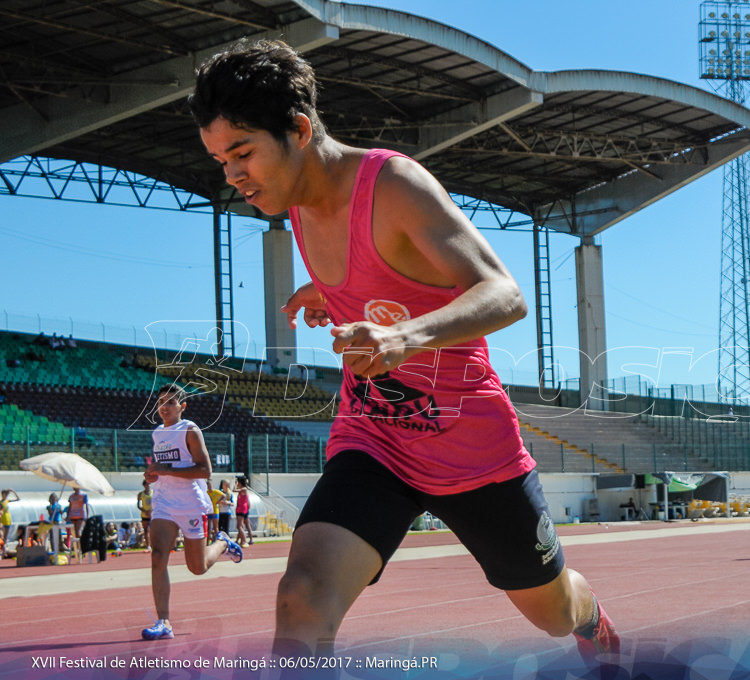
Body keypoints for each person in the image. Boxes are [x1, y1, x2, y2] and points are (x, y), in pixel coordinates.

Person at [188, 39, 619, 662]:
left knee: (552, 612)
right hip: (375, 438)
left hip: (471, 449)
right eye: (219, 159)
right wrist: (330, 293)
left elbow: (504, 293)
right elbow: (388, 276)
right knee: (302, 598)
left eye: (242, 153)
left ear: (300, 131)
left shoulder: (393, 184)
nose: (231, 176)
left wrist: (404, 337)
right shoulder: (296, 206)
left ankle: (590, 615)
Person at [141, 383, 243, 640]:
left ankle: (222, 543)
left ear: (182, 406)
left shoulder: (190, 429)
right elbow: (163, 470)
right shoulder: (157, 434)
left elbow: (205, 471)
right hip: (164, 502)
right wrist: (153, 475)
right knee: (158, 557)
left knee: (197, 568)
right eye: (161, 401)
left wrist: (166, 470)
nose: (164, 407)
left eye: (170, 402)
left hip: (190, 504)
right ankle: (164, 622)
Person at [233, 476, 253, 547]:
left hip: (241, 509)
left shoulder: (243, 489)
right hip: (243, 509)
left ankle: (244, 540)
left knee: (239, 526)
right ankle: (238, 540)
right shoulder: (244, 489)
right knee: (242, 526)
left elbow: (234, 490)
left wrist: (235, 484)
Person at [1, 488, 20, 556]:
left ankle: (4, 550)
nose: (5, 496)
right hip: (2, 521)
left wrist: (13, 491)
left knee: (5, 537)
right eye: (4, 494)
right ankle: (3, 549)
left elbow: (18, 499)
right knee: (2, 536)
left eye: (6, 495)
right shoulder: (1, 502)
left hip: (8, 520)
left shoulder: (7, 501)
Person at [137, 479, 153, 550]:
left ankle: (154, 544)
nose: (148, 486)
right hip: (144, 514)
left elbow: (157, 503)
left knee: (154, 530)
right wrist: (145, 511)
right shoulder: (141, 494)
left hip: (152, 514)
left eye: (149, 484)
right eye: (147, 484)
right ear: (144, 485)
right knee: (146, 530)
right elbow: (138, 505)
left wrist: (151, 510)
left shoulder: (153, 492)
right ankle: (148, 545)